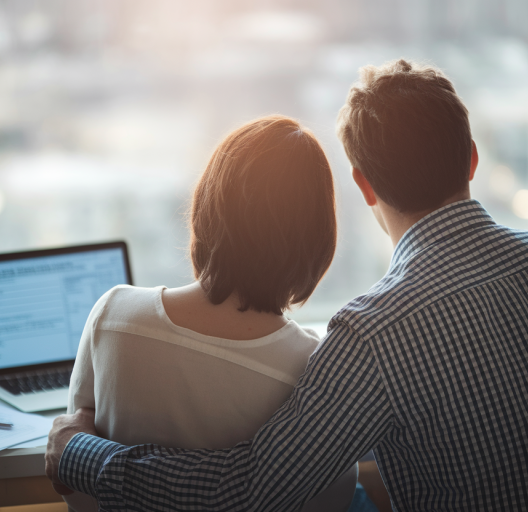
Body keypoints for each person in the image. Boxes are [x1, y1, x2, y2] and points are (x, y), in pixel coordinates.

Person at [46, 60, 528, 511]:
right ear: (470, 160)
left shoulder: (376, 335)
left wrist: (80, 452)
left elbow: (249, 489)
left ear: (363, 187)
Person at [61, 115, 356, 512]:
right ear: (319, 239)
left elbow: (73, 482)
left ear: (207, 205)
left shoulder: (114, 316)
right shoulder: (313, 371)